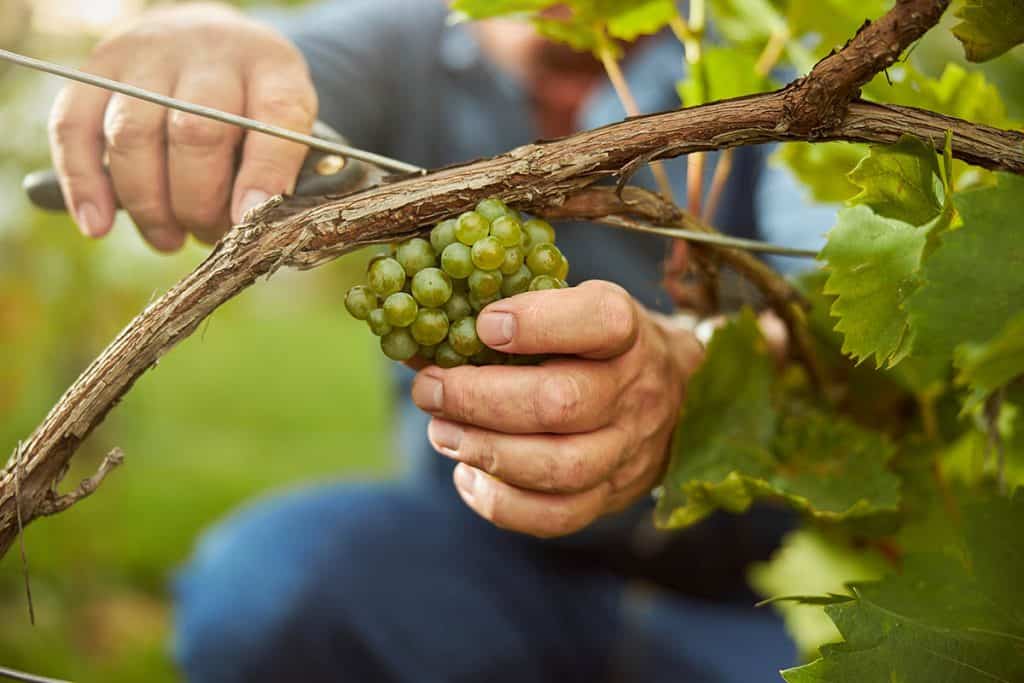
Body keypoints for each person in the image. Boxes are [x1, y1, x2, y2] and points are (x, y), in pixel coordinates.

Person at [48, 1, 828, 680]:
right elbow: (277, 70)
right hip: (462, 569)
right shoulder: (404, 37)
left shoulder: (768, 59)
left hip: (722, 597)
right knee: (267, 588)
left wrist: (698, 371)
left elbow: (834, 306)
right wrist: (199, 30)